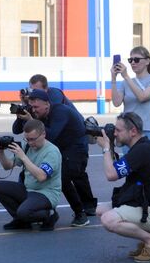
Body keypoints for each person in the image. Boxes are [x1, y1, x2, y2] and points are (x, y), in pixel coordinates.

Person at [95, 112, 150, 263]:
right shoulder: (140, 147)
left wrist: (106, 148)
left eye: (119, 131)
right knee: (100, 210)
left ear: (133, 131)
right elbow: (117, 168)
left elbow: (111, 175)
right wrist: (110, 145)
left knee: (108, 220)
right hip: (143, 202)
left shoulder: (142, 150)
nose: (115, 133)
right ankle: (146, 241)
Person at [12, 89, 97, 226]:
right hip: (58, 147)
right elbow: (16, 130)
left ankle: (80, 214)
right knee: (26, 174)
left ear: (47, 104)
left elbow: (50, 135)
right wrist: (20, 116)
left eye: (36, 107)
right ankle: (33, 211)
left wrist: (31, 119)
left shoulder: (60, 111)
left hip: (75, 147)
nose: (34, 110)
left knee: (64, 177)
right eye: (31, 107)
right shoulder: (36, 112)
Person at [0, 119, 62, 231]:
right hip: (29, 189)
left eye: (33, 139)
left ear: (43, 134)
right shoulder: (27, 146)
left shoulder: (52, 152)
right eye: (27, 139)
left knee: (23, 212)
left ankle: (49, 214)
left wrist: (23, 157)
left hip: (46, 193)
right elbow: (7, 166)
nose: (30, 143)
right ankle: (21, 220)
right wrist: (1, 152)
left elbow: (41, 177)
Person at [111, 46, 150, 150]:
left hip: (147, 131)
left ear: (147, 61)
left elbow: (142, 97)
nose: (133, 63)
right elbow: (116, 102)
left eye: (136, 59)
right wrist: (113, 78)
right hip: (128, 133)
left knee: (147, 165)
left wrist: (126, 76)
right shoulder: (125, 83)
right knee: (130, 165)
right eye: (130, 60)